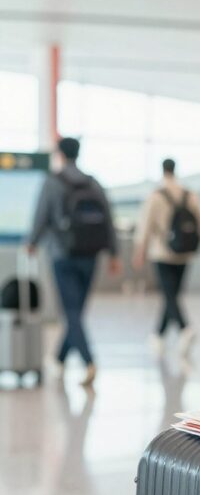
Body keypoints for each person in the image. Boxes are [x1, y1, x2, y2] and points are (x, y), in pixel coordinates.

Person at [27, 137, 121, 386]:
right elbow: (109, 219)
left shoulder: (53, 182)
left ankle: (89, 361)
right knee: (76, 311)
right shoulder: (93, 182)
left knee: (71, 312)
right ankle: (58, 359)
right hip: (90, 255)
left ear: (60, 153)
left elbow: (42, 215)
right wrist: (114, 253)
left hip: (61, 254)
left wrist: (32, 242)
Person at [133, 158, 200, 357]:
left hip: (162, 252)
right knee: (172, 294)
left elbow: (146, 225)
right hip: (184, 252)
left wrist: (140, 251)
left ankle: (185, 328)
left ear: (162, 170)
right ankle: (158, 335)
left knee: (169, 294)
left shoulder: (156, 196)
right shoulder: (189, 194)